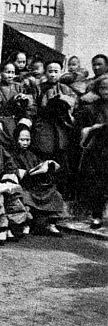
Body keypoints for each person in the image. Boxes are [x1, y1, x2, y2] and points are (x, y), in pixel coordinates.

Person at [33, 61, 77, 199]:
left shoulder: (66, 88)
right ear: (45, 72)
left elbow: (74, 104)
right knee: (45, 158)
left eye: (56, 71)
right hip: (45, 127)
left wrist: (64, 101)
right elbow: (34, 106)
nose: (53, 74)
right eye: (50, 71)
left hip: (62, 127)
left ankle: (61, 196)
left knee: (62, 159)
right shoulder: (39, 88)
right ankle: (45, 195)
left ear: (61, 72)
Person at [11, 123, 64, 236]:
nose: (25, 143)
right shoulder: (11, 155)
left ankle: (51, 224)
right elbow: (14, 171)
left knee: (56, 194)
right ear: (16, 139)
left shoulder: (31, 154)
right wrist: (31, 172)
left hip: (36, 184)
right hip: (25, 184)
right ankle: (27, 223)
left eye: (28, 140)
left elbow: (39, 165)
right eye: (22, 140)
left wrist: (46, 165)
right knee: (25, 196)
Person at [76, 76, 108, 229]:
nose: (106, 91)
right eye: (103, 88)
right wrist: (93, 128)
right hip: (99, 150)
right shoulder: (92, 107)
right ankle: (97, 216)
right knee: (99, 183)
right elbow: (83, 128)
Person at [0, 61, 35, 150]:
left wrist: (23, 98)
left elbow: (29, 104)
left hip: (16, 120)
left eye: (13, 73)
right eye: (8, 72)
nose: (11, 75)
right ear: (0, 72)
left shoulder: (18, 87)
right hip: (2, 120)